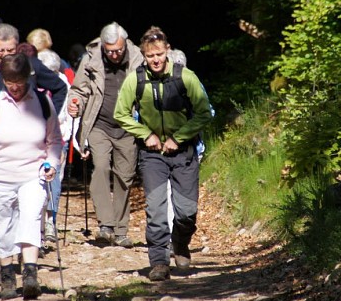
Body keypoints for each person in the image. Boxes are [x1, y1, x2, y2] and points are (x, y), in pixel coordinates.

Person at [114, 27, 213, 281]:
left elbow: (204, 113)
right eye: (150, 56)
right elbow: (120, 113)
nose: (155, 60)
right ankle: (158, 262)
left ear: (167, 51)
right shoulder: (136, 80)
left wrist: (178, 138)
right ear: (143, 56)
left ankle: (180, 243)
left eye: (159, 54)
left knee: (186, 213)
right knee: (156, 211)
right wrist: (145, 134)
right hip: (152, 155)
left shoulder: (185, 77)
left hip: (184, 153)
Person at [0, 53, 63, 300]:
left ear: (28, 78)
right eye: (10, 83)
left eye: (19, 83)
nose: (16, 88)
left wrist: (51, 162)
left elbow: (54, 140)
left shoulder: (42, 102)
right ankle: (8, 275)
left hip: (33, 174)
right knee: (2, 225)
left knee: (31, 217)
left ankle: (31, 274)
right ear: (4, 79)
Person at [67, 22, 143, 248]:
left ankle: (120, 230)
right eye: (110, 51)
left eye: (118, 50)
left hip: (128, 127)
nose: (114, 55)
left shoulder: (138, 58)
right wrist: (76, 105)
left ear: (125, 45)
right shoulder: (91, 58)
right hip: (99, 125)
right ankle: (105, 226)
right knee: (100, 167)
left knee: (124, 176)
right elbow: (79, 90)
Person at [37, 49, 73, 245]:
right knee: (38, 182)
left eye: (53, 71)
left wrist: (65, 141)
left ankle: (51, 220)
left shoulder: (62, 85)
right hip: (36, 141)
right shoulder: (33, 86)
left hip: (57, 140)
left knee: (55, 181)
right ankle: (38, 227)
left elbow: (67, 116)